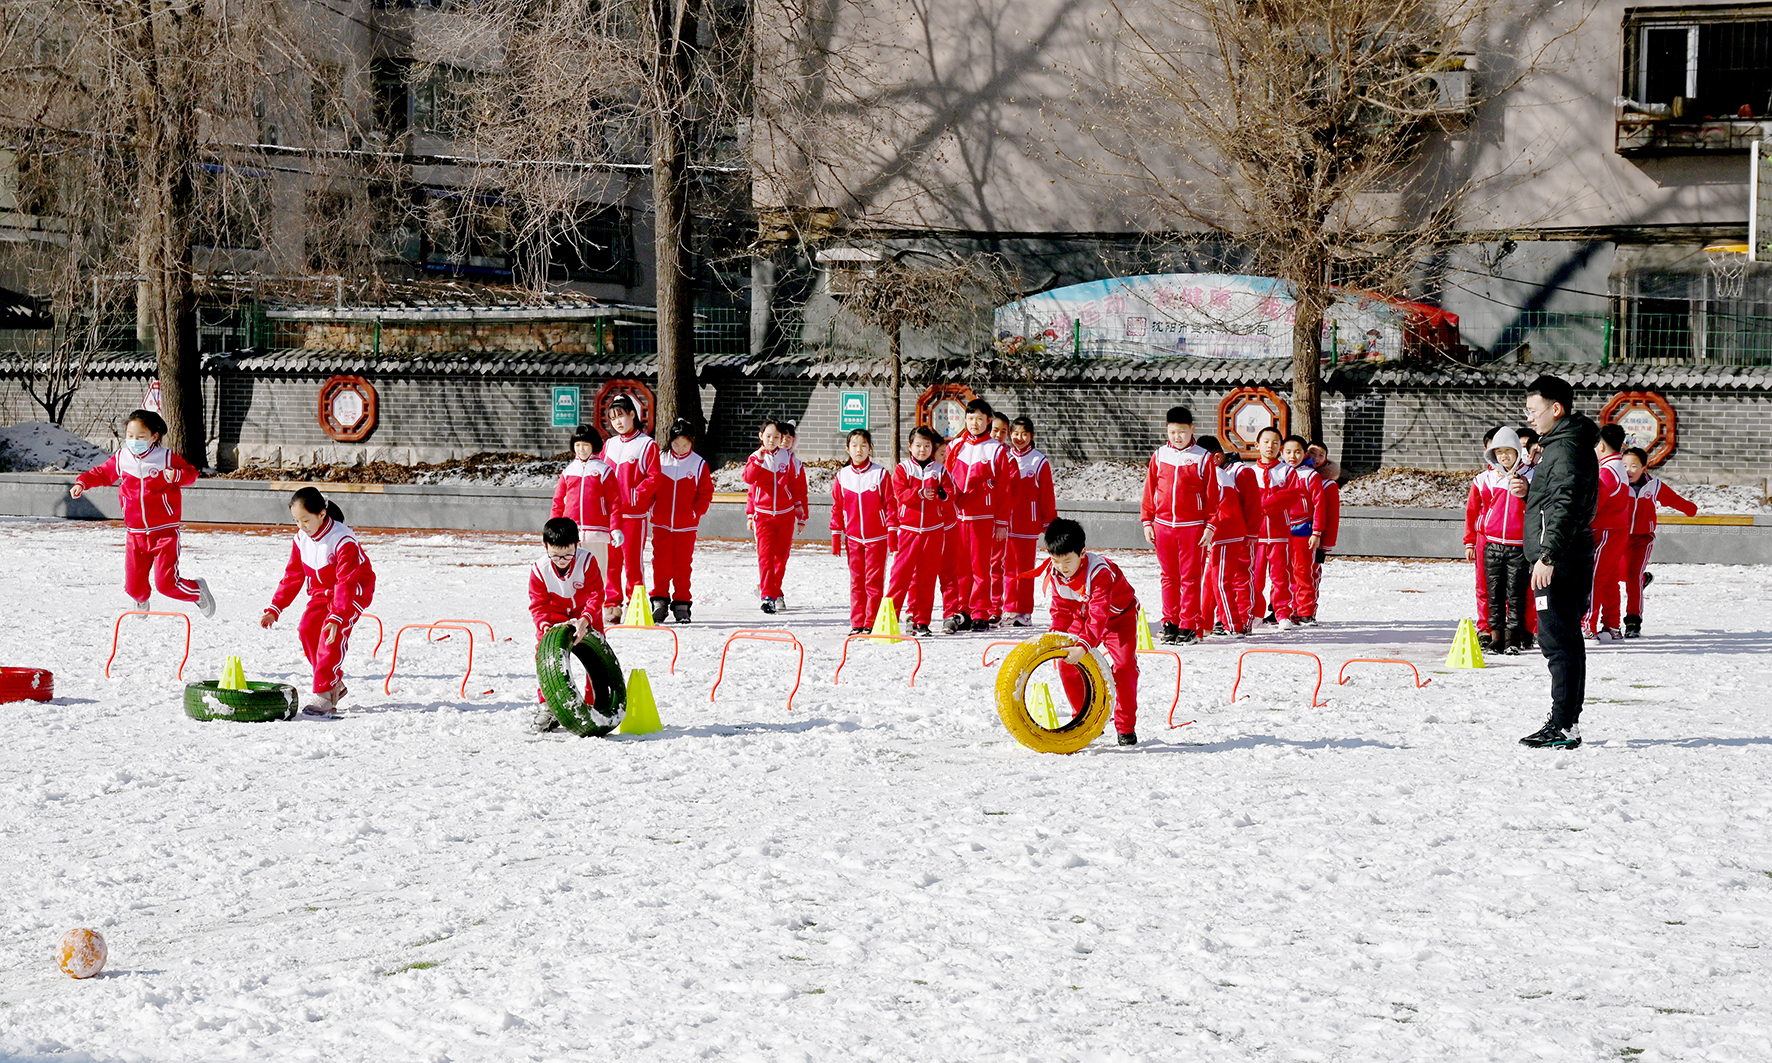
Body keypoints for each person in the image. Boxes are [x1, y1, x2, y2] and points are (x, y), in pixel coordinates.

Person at [1516, 374, 1599, 749]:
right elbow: (1555, 500)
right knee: (1560, 640)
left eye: (1534, 411)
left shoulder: (1566, 449)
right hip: (1561, 554)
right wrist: (1529, 494)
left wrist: (1548, 554)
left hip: (1560, 559)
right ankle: (1566, 722)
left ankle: (1564, 724)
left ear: (1556, 408)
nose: (1529, 418)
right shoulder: (1561, 444)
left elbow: (1566, 504)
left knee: (1559, 642)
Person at [70, 409, 215, 617]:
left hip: (164, 533)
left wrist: (176, 476)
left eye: (140, 437)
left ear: (153, 437)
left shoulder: (165, 457)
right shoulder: (122, 458)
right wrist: (82, 483)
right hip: (135, 534)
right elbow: (102, 473)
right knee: (133, 587)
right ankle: (141, 600)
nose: (134, 441)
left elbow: (191, 475)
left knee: (166, 585)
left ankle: (198, 591)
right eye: (130, 436)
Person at [260, 487, 376, 717]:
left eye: (305, 520)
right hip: (321, 591)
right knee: (307, 630)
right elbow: (293, 574)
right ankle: (334, 683)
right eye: (296, 521)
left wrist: (336, 616)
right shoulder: (301, 539)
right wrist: (276, 607)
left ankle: (325, 694)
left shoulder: (343, 540)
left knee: (330, 636)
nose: (301, 526)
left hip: (352, 592)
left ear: (322, 514)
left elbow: (346, 581)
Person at [1043, 518, 1143, 746]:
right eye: (1055, 560)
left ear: (1082, 553)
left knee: (1124, 667)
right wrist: (1056, 636)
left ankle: (1125, 727)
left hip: (1118, 618)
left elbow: (1100, 615)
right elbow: (1060, 609)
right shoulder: (1056, 572)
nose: (1061, 567)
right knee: (1066, 664)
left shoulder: (1099, 572)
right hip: (1083, 616)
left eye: (1067, 561)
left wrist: (1083, 645)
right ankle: (1084, 720)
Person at [1139, 405, 1219, 643]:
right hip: (1163, 525)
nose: (1177, 436)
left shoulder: (1203, 457)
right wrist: (1147, 521)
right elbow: (1150, 490)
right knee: (1168, 576)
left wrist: (1210, 526)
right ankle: (1170, 622)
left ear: (1191, 429)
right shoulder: (1160, 455)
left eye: (1182, 431)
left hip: (1192, 527)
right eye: (1173, 431)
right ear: (1167, 430)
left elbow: (1213, 497)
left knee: (1190, 578)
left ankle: (1189, 625)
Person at [944, 399, 1018, 630]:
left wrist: (1001, 522)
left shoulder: (996, 450)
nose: (974, 423)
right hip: (958, 517)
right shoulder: (956, 446)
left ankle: (981, 612)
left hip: (983, 519)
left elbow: (1004, 489)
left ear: (988, 421)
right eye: (970, 418)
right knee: (960, 568)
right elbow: (945, 480)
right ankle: (962, 610)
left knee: (981, 568)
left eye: (979, 419)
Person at [527, 517, 606, 732]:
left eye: (568, 554)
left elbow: (597, 594)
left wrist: (586, 618)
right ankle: (549, 707)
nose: (562, 560)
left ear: (577, 545)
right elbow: (538, 604)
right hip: (554, 615)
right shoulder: (540, 570)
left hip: (586, 614)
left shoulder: (587, 561)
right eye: (556, 555)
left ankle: (596, 702)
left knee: (596, 657)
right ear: (546, 547)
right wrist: (544, 625)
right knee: (545, 656)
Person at [1463, 427, 1534, 654]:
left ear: (1518, 451)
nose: (1504, 456)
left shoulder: (1530, 476)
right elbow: (1473, 511)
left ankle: (1514, 637)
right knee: (1493, 593)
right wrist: (1470, 541)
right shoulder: (1484, 479)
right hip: (1491, 543)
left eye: (1508, 451)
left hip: (1519, 546)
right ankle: (1495, 636)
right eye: (1499, 451)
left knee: (1516, 594)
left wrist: (1527, 491)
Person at [888, 426, 958, 636]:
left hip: (933, 531)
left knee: (927, 578)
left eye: (927, 445)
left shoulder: (939, 470)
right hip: (908, 530)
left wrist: (942, 495)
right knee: (900, 576)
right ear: (910, 447)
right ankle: (889, 617)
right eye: (918, 445)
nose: (922, 449)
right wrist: (919, 493)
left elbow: (952, 493)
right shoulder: (903, 469)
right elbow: (900, 493)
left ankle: (922, 621)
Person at [1621, 446, 1697, 638]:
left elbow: (1674, 500)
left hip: (1642, 539)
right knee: (1617, 575)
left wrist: (1690, 509)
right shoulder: (1617, 485)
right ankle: (1643, 579)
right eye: (1624, 466)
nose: (1628, 470)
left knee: (1632, 578)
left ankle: (1633, 621)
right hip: (1618, 537)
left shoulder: (1654, 486)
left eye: (1633, 466)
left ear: (1644, 467)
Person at [830, 428, 896, 633]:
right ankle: (857, 622)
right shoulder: (842, 476)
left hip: (877, 537)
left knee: (873, 581)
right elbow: (837, 507)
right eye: (854, 446)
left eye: (863, 446)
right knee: (857, 580)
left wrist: (892, 532)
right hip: (853, 538)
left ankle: (871, 621)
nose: (859, 450)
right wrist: (836, 533)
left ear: (870, 448)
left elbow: (890, 505)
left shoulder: (880, 474)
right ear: (847, 449)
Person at [600, 396, 660, 621]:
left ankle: (635, 604)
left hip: (634, 515)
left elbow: (654, 478)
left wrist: (635, 495)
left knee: (633, 562)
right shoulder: (609, 445)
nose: (618, 422)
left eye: (622, 416)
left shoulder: (647, 445)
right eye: (613, 418)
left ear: (633, 414)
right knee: (611, 562)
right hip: (610, 515)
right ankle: (612, 603)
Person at [649, 419, 714, 623]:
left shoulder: (698, 464)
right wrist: (652, 508)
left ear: (691, 443)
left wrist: (695, 512)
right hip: (661, 523)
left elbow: (705, 493)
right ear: (670, 441)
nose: (680, 448)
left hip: (686, 526)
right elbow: (650, 485)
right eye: (676, 444)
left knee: (682, 565)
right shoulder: (660, 459)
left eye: (685, 444)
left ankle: (682, 603)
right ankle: (659, 601)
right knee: (660, 564)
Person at [742, 419, 806, 613]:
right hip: (763, 516)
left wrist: (799, 512)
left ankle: (773, 589)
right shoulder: (755, 457)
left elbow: (796, 487)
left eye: (776, 437)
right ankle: (768, 596)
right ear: (761, 436)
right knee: (765, 557)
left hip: (785, 516)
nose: (772, 440)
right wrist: (750, 514)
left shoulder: (787, 458)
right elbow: (749, 479)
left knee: (781, 559)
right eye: (768, 436)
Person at [1198, 435, 1260, 637]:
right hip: (1221, 532)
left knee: (1228, 579)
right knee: (1212, 578)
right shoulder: (1217, 473)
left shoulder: (1237, 472)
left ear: (1216, 457)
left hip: (1230, 532)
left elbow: (1252, 505)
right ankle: (1206, 622)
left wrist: (1251, 531)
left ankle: (1235, 622)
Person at [1003, 415, 1057, 626]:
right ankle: (1009, 608)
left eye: (1024, 434)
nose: (1019, 438)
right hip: (1006, 524)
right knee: (1007, 569)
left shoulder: (1038, 461)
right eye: (1015, 433)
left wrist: (1047, 521)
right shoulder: (1005, 457)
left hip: (1027, 525)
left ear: (1031, 436)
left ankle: (1024, 611)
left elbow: (1046, 494)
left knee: (1025, 571)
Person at [550, 423, 619, 581]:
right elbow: (558, 502)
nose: (581, 449)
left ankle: (596, 605)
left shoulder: (604, 470)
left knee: (597, 573)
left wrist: (615, 528)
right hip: (571, 534)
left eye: (585, 445)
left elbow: (614, 502)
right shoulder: (568, 472)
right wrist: (553, 528)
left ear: (593, 445)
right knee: (571, 575)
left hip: (597, 532)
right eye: (577, 445)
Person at [1584, 423, 1631, 642]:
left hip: (1605, 530)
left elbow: (1596, 503)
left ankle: (1588, 625)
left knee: (1595, 577)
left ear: (1601, 445)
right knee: (1610, 578)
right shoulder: (1619, 466)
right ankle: (1612, 624)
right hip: (1618, 529)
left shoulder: (1606, 471)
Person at [1277, 434, 1326, 625]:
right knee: (1281, 572)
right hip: (1280, 529)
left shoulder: (1310, 475)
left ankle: (1305, 610)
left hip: (1303, 529)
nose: (1292, 456)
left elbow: (1319, 505)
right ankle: (1282, 609)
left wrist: (1316, 532)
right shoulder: (1278, 472)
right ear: (1282, 452)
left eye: (1297, 452)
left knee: (1303, 571)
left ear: (1304, 453)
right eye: (1288, 451)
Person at [1304, 442, 1342, 612]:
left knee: (1311, 573)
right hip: (1293, 535)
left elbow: (1332, 517)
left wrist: (1325, 545)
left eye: (1321, 455)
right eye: (1312, 453)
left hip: (1315, 539)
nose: (1316, 458)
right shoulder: (1295, 476)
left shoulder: (1328, 485)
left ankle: (1308, 609)